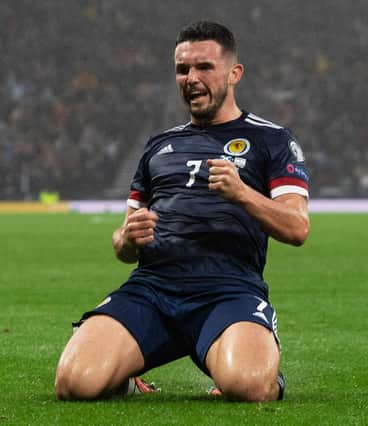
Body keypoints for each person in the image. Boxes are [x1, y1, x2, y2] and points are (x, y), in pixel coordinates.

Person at [55, 20, 310, 402]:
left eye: (204, 67)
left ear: (234, 73)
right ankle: (124, 378)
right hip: (153, 288)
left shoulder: (271, 139)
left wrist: (243, 194)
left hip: (228, 290)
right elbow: (122, 246)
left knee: (250, 387)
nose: (191, 78)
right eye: (182, 69)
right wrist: (127, 238)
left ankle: (257, 362)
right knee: (75, 384)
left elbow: (297, 229)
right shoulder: (159, 146)